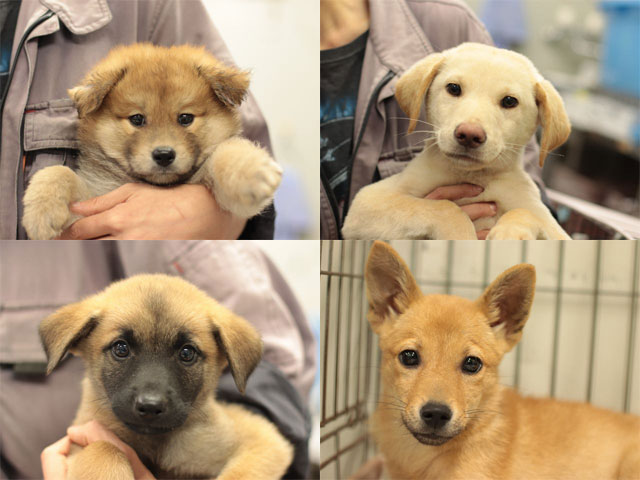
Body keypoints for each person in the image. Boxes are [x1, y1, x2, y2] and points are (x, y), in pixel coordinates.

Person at [0, 241, 315, 479]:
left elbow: (270, 445)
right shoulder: (92, 431)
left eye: (187, 354)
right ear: (79, 342)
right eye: (120, 350)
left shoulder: (212, 432)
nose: (150, 398)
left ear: (224, 357)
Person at [0, 0, 275, 240]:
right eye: (137, 120)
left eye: (185, 118)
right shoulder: (99, 130)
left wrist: (234, 176)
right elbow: (83, 208)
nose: (164, 146)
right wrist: (55, 183)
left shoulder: (157, 7)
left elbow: (246, 185)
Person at [320, 0, 547, 239]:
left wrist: (516, 229)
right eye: (454, 89)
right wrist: (431, 219)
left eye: (508, 102)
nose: (471, 128)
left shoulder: (450, 23)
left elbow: (529, 191)